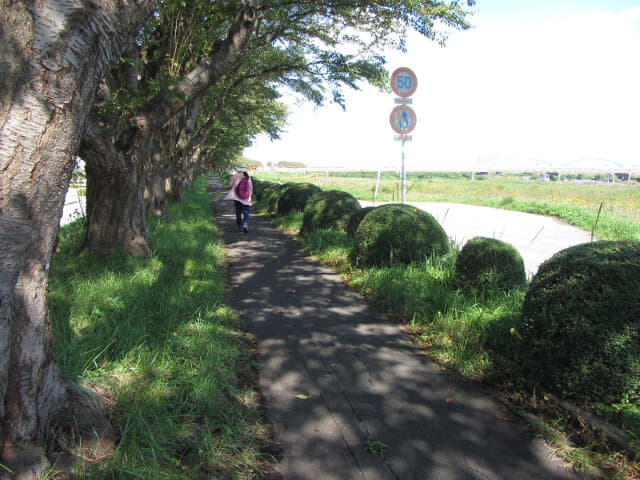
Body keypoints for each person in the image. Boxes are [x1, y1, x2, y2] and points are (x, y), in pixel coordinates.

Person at [225, 165, 253, 233]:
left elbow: (230, 184)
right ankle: (245, 224)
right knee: (246, 212)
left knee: (238, 212)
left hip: (237, 197)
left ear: (238, 169)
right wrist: (250, 196)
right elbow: (251, 187)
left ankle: (240, 227)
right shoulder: (248, 177)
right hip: (246, 198)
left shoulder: (236, 176)